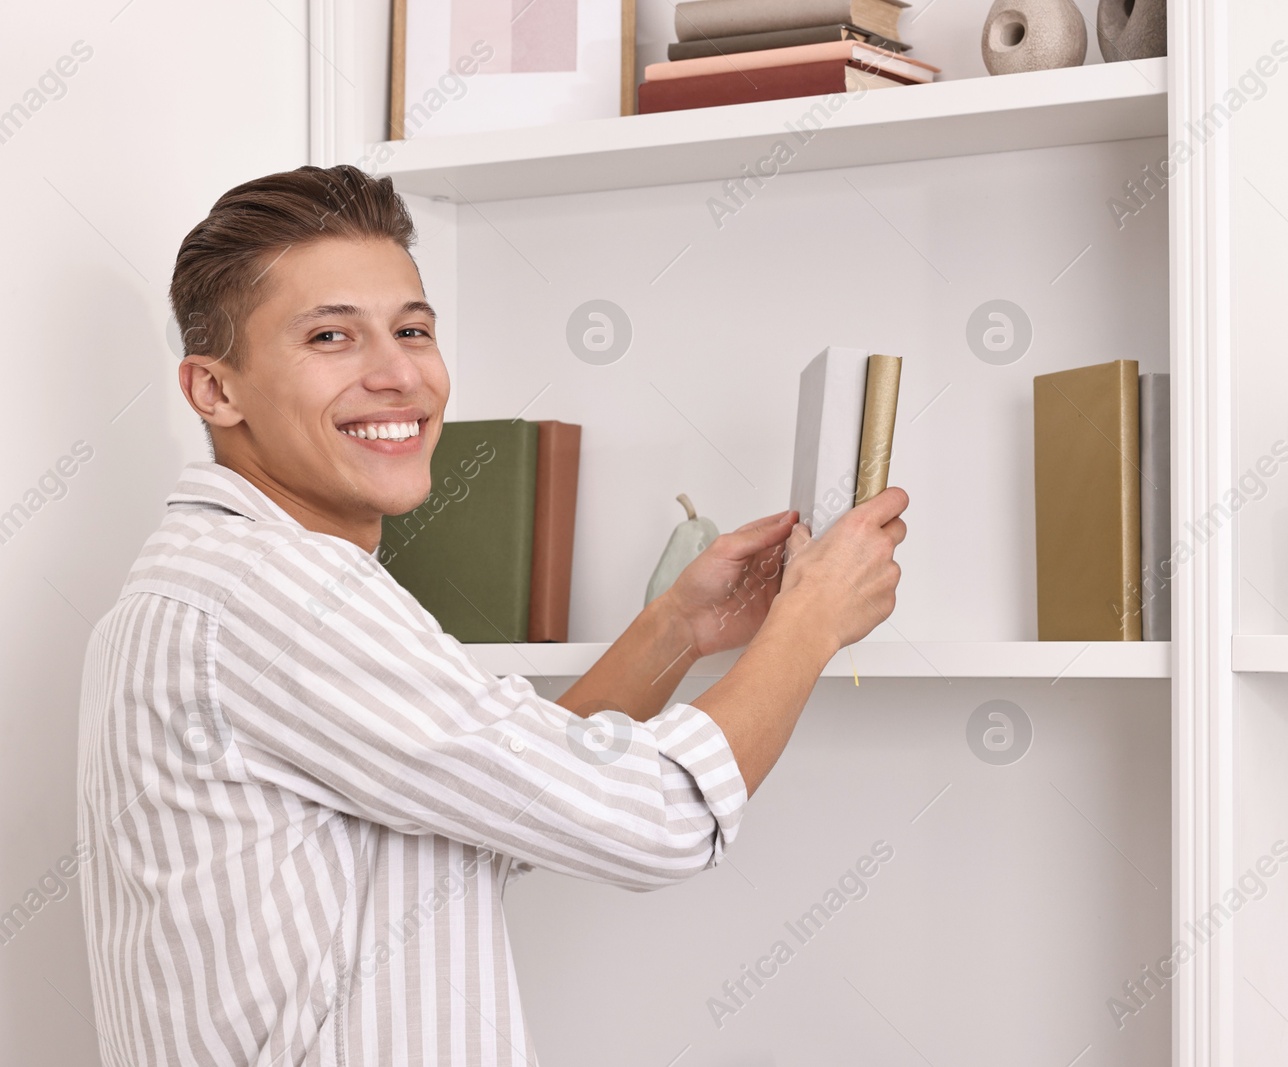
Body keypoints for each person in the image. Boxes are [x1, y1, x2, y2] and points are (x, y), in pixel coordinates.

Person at [76, 163, 908, 1066]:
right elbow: (660, 817)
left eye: (413, 330)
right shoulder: (279, 597)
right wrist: (811, 622)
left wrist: (676, 630)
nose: (399, 375)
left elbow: (483, 803)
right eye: (330, 336)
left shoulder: (215, 581)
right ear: (214, 390)